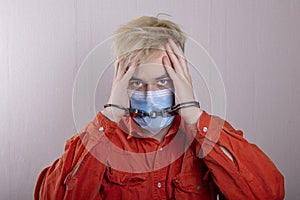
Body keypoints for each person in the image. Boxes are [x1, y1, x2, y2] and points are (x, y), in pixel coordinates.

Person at [34, 16, 284, 200]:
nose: (150, 94)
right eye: (137, 83)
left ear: (181, 80)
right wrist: (110, 113)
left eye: (163, 81)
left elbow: (269, 194)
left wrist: (195, 115)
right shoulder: (102, 141)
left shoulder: (202, 139)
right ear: (121, 84)